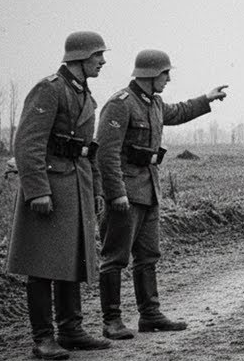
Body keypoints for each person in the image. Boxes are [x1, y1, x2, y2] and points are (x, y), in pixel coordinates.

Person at [96, 49, 228, 338]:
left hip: (149, 191)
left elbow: (178, 112)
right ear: (151, 74)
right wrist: (115, 193)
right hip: (126, 194)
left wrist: (206, 99)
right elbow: (106, 153)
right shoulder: (120, 104)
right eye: (165, 73)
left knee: (148, 255)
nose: (168, 79)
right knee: (115, 256)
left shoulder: (153, 103)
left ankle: (150, 314)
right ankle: (112, 321)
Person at [7, 31, 113, 360]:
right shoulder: (50, 89)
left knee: (72, 257)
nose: (103, 62)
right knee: (42, 264)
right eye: (98, 56)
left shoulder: (83, 94)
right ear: (80, 58)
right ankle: (42, 337)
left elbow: (87, 151)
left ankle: (71, 329)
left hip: (76, 183)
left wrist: (95, 189)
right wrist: (37, 190)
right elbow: (28, 143)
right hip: (51, 185)